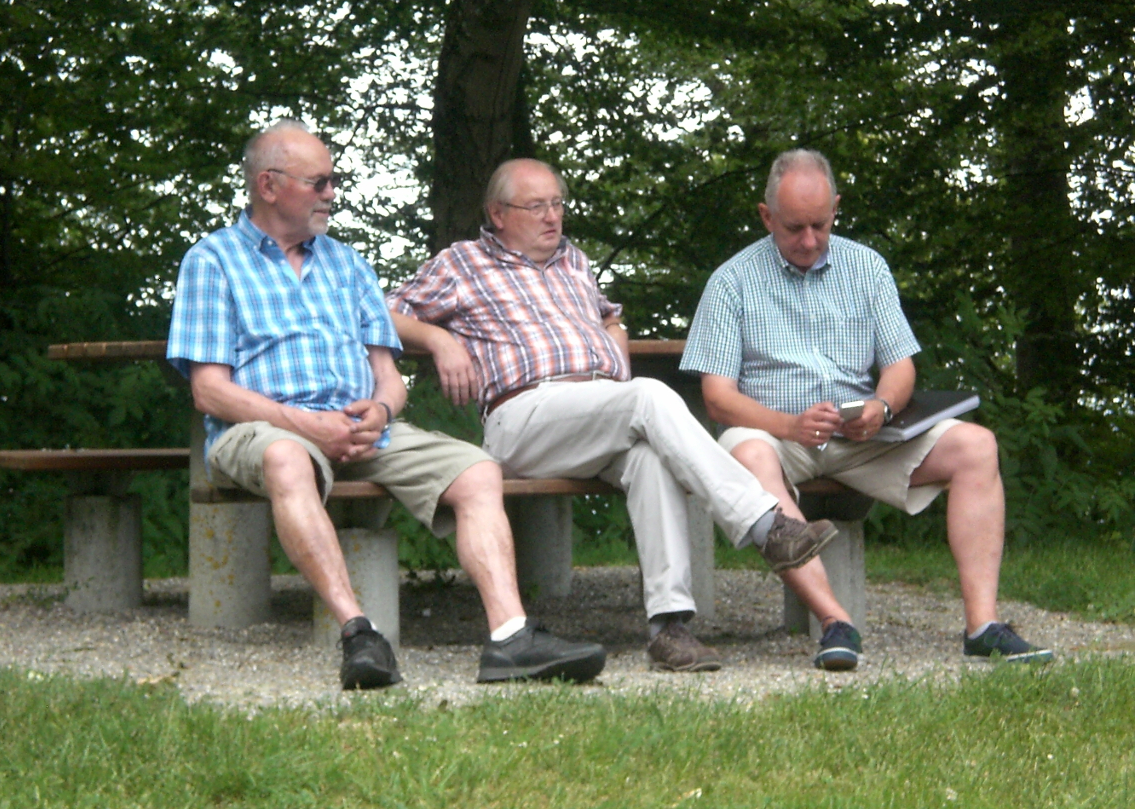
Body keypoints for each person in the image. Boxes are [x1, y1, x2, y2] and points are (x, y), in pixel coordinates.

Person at [166, 122, 606, 690]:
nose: (331, 193)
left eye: (334, 180)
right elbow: (210, 391)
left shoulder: (348, 264)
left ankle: (510, 638)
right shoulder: (212, 261)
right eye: (320, 181)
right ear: (269, 186)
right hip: (262, 427)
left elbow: (388, 379)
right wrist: (305, 425)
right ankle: (359, 635)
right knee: (286, 459)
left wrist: (381, 410)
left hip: (359, 427)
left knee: (476, 470)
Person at [387, 157, 839, 673]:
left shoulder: (572, 261)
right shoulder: (462, 262)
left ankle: (670, 628)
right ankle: (766, 526)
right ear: (497, 213)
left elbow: (610, 315)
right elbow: (381, 310)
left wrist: (614, 342)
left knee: (650, 455)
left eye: (558, 204)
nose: (552, 217)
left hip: (599, 413)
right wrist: (439, 339)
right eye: (536, 207)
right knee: (647, 395)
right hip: (525, 416)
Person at [681, 147, 1054, 670]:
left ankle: (983, 625)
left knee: (977, 446)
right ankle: (837, 622)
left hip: (859, 438)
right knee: (747, 457)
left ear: (836, 207)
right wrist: (790, 424)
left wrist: (880, 405)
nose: (809, 240)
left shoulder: (867, 266)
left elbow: (901, 367)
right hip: (774, 434)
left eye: (820, 224)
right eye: (794, 228)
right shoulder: (731, 281)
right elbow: (718, 398)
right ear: (766, 217)